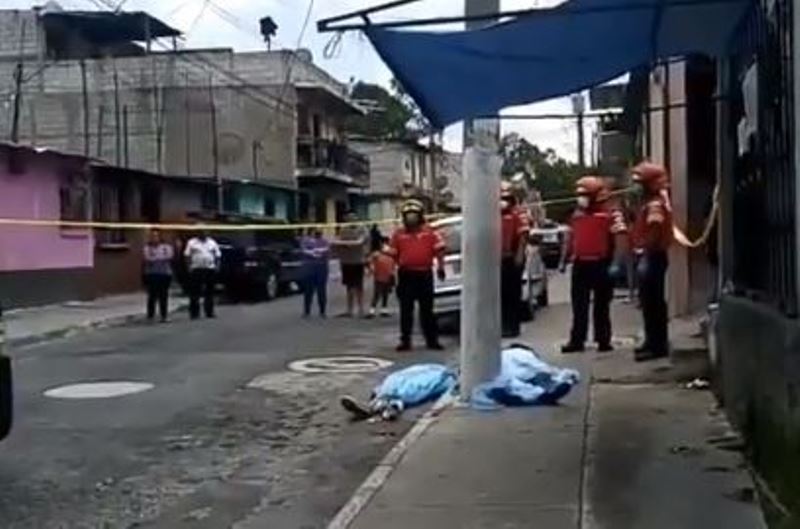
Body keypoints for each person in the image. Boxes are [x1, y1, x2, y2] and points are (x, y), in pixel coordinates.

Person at [561, 176, 628, 353]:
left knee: (602, 306)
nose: (581, 198)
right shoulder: (576, 215)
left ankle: (603, 340)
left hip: (602, 264)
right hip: (580, 264)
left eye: (585, 195)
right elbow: (571, 238)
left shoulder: (612, 214)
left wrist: (617, 263)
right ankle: (577, 340)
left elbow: (621, 237)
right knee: (579, 306)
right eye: (579, 195)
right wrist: (564, 258)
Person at [388, 199, 446, 351]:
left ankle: (432, 340)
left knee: (427, 310)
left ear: (420, 216)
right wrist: (390, 273)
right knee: (406, 310)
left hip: (424, 274)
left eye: (414, 215)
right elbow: (392, 255)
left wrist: (441, 267)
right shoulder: (398, 234)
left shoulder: (430, 232)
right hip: (406, 275)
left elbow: (439, 251)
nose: (411, 218)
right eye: (408, 215)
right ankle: (405, 341)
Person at [630, 162, 674, 361]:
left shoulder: (655, 204)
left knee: (653, 303)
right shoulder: (652, 202)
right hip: (651, 256)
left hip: (653, 256)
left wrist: (645, 252)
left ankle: (657, 346)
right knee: (649, 303)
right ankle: (651, 342)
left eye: (640, 183)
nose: (636, 187)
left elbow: (655, 228)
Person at [500, 181, 530, 338]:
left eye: (505, 198)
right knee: (500, 294)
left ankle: (513, 326)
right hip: (497, 260)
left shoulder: (518, 214)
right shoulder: (494, 216)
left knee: (512, 294)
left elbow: (523, 236)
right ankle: (502, 325)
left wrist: (519, 255)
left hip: (512, 258)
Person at [333, 211, 368, 318]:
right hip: (346, 261)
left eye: (353, 217)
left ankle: (361, 309)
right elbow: (336, 241)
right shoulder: (343, 229)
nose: (351, 219)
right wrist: (347, 244)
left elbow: (360, 242)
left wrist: (346, 243)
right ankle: (349, 310)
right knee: (349, 286)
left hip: (358, 260)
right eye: (349, 218)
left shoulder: (362, 229)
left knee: (359, 286)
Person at [184, 229, 221, 319]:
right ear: (198, 232)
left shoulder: (212, 242)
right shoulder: (192, 242)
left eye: (205, 231)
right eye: (201, 231)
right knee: (194, 292)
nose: (203, 233)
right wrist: (188, 267)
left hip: (209, 269)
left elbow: (218, 255)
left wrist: (217, 266)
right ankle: (194, 313)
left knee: (209, 292)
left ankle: (209, 312)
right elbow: (187, 255)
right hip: (196, 269)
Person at [142, 229, 174, 322]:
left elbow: (169, 256)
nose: (154, 238)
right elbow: (147, 259)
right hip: (152, 274)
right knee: (152, 296)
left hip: (165, 274)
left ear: (160, 237)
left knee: (163, 296)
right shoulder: (147, 248)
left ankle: (164, 316)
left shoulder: (166, 247)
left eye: (156, 236)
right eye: (152, 236)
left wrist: (155, 258)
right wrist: (160, 258)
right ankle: (150, 316)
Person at [300, 229, 331, 318]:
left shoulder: (324, 241)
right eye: (315, 231)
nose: (317, 233)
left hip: (321, 268)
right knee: (308, 291)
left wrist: (316, 252)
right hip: (310, 268)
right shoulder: (306, 240)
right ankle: (307, 311)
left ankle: (322, 311)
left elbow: (327, 250)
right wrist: (313, 252)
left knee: (321, 290)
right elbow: (304, 250)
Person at [367, 236, 396, 318]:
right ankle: (372, 311)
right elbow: (370, 262)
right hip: (380, 275)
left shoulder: (390, 253)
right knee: (377, 293)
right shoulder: (377, 254)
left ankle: (384, 310)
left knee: (385, 293)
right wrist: (371, 270)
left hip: (388, 275)